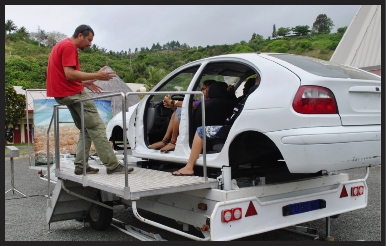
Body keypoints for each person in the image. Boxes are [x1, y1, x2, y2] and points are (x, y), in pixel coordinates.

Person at [46, 24, 133, 175]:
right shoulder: (69, 47)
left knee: (86, 128)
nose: (90, 44)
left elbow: (63, 75)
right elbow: (70, 74)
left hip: (62, 94)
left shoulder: (61, 45)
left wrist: (83, 82)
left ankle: (81, 165)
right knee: (97, 126)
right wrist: (97, 76)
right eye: (89, 40)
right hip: (73, 93)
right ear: (80, 35)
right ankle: (113, 165)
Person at [172, 75, 261, 176]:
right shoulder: (239, 100)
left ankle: (189, 167)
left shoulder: (251, 94)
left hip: (232, 128)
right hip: (239, 128)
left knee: (201, 131)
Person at [148, 80, 215, 153]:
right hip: (201, 124)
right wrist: (172, 105)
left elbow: (188, 105)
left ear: (211, 89)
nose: (202, 91)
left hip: (197, 127)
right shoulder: (213, 101)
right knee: (176, 111)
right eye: (201, 89)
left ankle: (172, 142)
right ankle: (165, 141)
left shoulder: (207, 101)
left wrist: (172, 102)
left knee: (180, 109)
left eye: (204, 89)